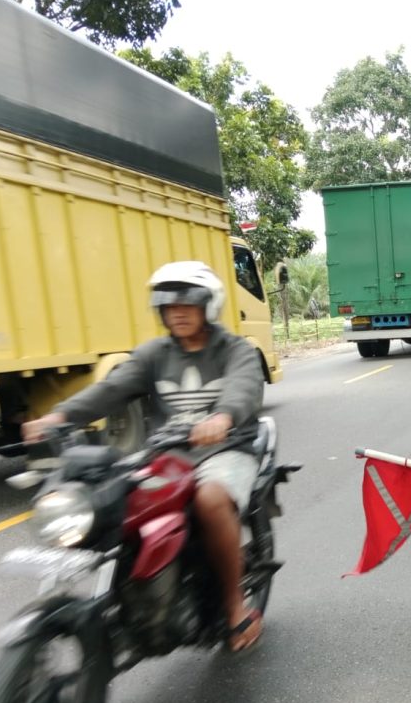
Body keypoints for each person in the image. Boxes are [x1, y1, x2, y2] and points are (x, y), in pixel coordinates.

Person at [22, 261, 267, 652]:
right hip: (168, 452)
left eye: (188, 303)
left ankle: (235, 605)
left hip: (226, 448)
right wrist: (59, 416)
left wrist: (222, 417)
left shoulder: (234, 349)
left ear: (210, 305)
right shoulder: (154, 354)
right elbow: (110, 390)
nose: (178, 311)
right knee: (118, 502)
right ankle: (141, 594)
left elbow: (243, 388)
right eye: (169, 305)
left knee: (210, 498)